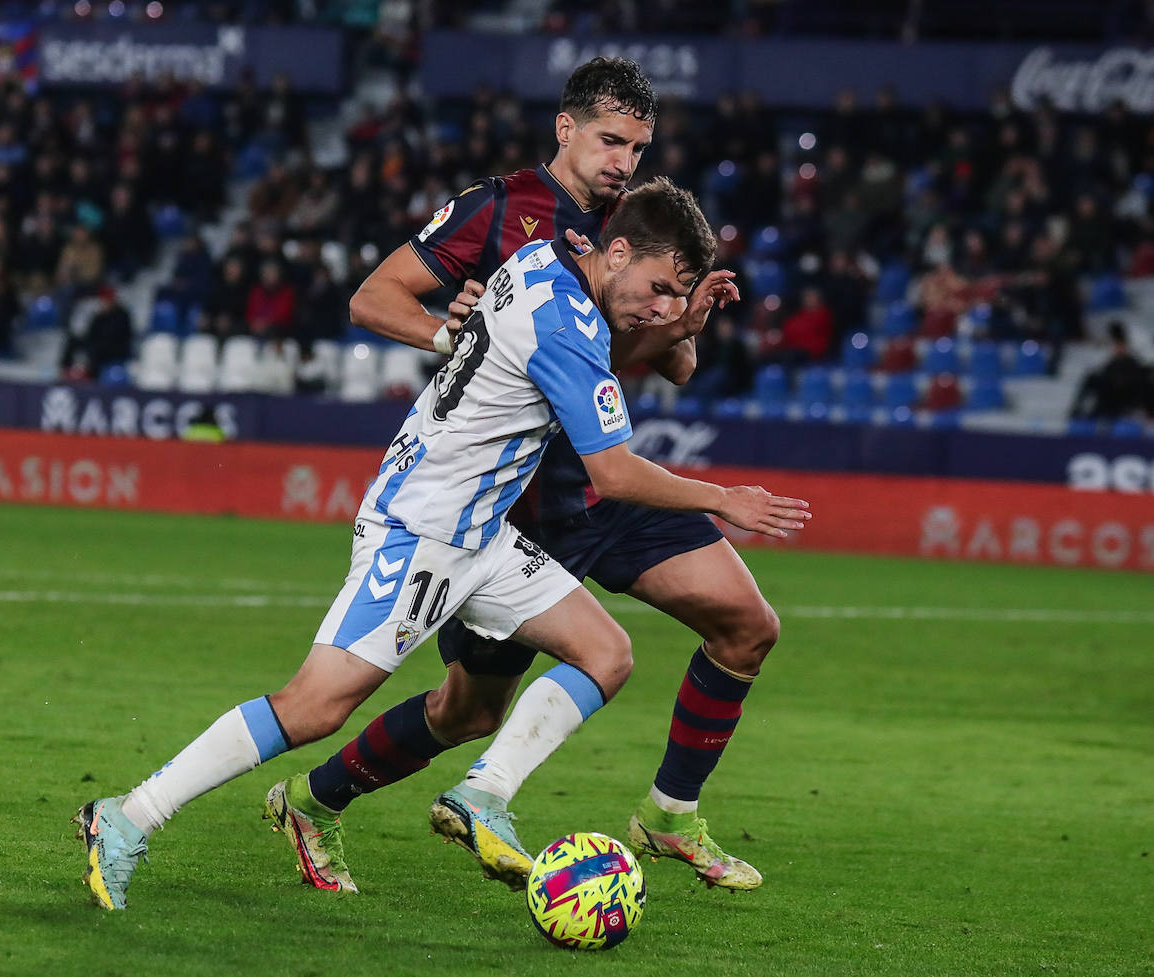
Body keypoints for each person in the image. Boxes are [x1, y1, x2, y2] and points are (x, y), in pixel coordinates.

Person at [74, 178, 810, 910]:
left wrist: (672, 328)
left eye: (675, 297)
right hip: (421, 531)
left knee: (606, 652)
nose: (662, 306)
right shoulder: (567, 327)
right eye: (658, 287)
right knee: (314, 706)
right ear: (616, 252)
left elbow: (593, 344)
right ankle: (129, 814)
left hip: (480, 531)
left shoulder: (550, 258)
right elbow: (613, 473)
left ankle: (482, 792)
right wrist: (725, 499)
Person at [272, 57, 801, 895]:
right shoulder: (502, 208)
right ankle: (314, 797)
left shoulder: (641, 225)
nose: (624, 160)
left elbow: (674, 365)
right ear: (567, 128)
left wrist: (683, 320)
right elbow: (373, 299)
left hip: (611, 481)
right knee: (467, 711)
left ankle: (668, 814)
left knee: (747, 625)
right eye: (610, 140)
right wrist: (456, 336)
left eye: (637, 144)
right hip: (518, 509)